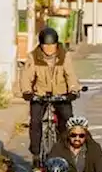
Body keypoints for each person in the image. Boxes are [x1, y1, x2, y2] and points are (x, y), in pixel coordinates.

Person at [19, 27, 82, 163]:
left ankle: (66, 150)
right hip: (39, 94)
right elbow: (26, 76)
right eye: (45, 46)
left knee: (67, 119)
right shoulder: (33, 56)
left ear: (56, 44)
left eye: (51, 45)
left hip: (61, 94)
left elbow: (70, 75)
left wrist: (73, 90)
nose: (49, 49)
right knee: (35, 122)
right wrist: (27, 92)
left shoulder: (64, 56)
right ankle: (36, 155)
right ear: (40, 45)